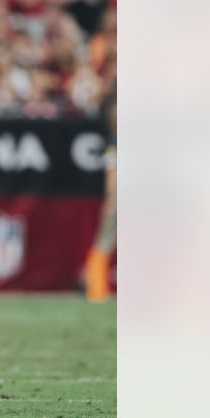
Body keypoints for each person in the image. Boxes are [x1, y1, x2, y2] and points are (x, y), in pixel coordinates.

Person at [84, 91, 115, 302]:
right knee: (104, 240)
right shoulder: (116, 143)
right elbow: (112, 174)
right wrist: (112, 198)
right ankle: (96, 289)